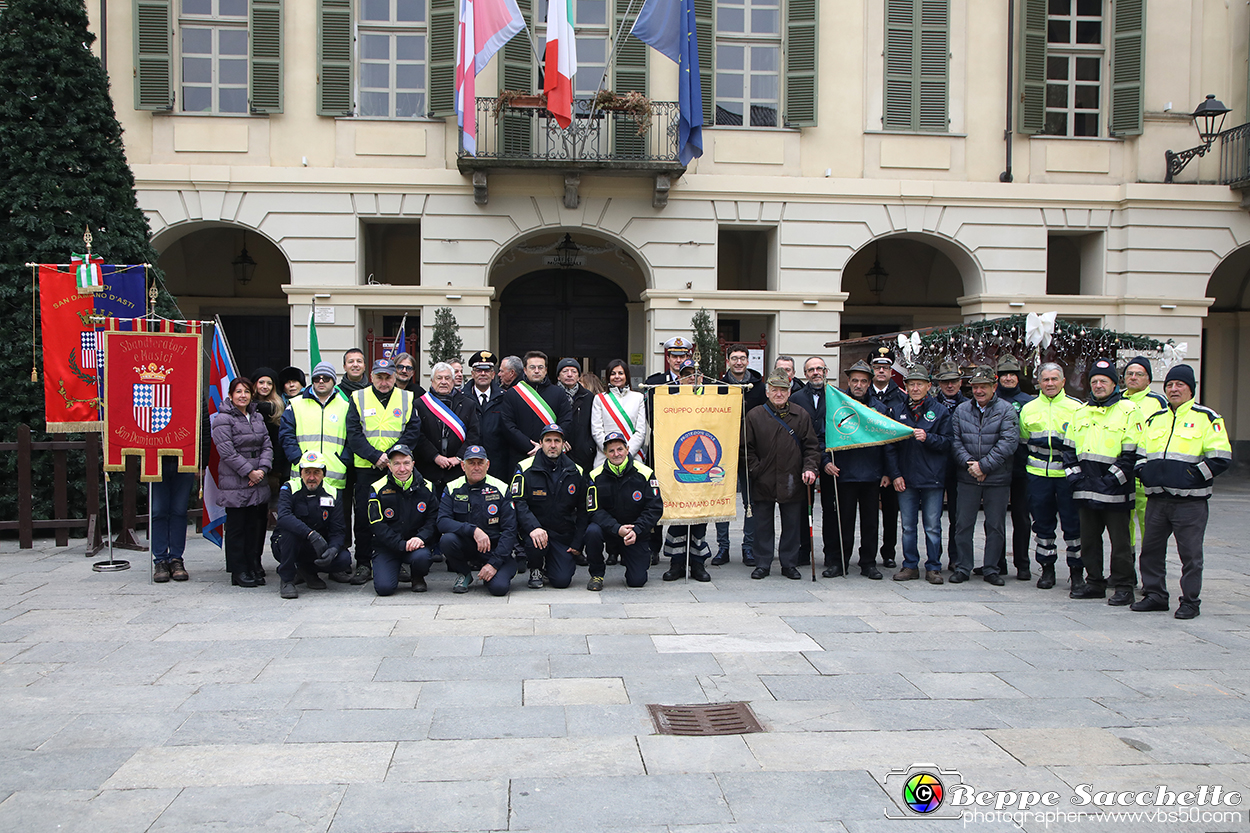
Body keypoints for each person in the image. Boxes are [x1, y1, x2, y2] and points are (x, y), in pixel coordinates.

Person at [1131, 364, 1231, 619]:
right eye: (1170, 385)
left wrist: (1191, 477)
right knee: (1151, 551)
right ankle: (1155, 595)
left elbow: (1220, 458)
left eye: (1180, 385)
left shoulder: (1207, 418)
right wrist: (1144, 473)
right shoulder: (1155, 419)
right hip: (1157, 499)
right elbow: (1141, 454)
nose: (1174, 389)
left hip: (1190, 502)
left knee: (1190, 555)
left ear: (1191, 389)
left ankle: (1189, 601)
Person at [1062, 359, 1143, 605]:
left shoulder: (1129, 411)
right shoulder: (1080, 412)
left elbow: (1133, 454)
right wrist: (1076, 478)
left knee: (1120, 543)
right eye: (1094, 381)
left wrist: (1110, 480)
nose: (1098, 385)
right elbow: (1068, 452)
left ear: (1114, 384)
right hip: (1086, 489)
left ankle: (1123, 585)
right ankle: (1094, 582)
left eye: (1103, 381)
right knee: (1089, 541)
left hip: (1116, 491)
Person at [345, 358, 423, 586]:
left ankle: (396, 562)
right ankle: (363, 563)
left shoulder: (407, 398)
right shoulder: (358, 398)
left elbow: (412, 431)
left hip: (395, 469)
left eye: (388, 376)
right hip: (367, 469)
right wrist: (375, 456)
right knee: (363, 518)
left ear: (395, 376)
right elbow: (354, 434)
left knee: (397, 517)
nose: (384, 381)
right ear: (371, 377)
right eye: (379, 377)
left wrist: (390, 457)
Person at [744, 369, 820, 580]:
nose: (779, 394)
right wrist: (755, 469)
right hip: (763, 478)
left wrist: (809, 468)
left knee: (792, 525)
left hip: (793, 478)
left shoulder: (800, 415)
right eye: (775, 390)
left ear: (789, 392)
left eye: (783, 390)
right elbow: (745, 448)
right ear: (767, 392)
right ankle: (762, 563)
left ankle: (789, 563)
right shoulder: (755, 416)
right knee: (762, 524)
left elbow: (812, 447)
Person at [949, 365, 1019, 585]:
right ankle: (963, 567)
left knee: (995, 525)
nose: (979, 391)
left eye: (984, 387)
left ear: (994, 387)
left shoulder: (1007, 410)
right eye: (975, 387)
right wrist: (972, 465)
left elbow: (1008, 442)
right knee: (963, 523)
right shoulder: (961, 410)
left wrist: (984, 466)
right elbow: (955, 441)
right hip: (968, 475)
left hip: (997, 477)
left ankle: (991, 568)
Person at [1017, 362, 1082, 591]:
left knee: (1073, 526)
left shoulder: (1077, 408)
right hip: (1038, 476)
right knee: (1043, 526)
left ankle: (1076, 572)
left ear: (1063, 382)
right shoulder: (1029, 408)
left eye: (1054, 379)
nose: (1050, 383)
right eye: (1046, 380)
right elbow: (1024, 442)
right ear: (1039, 382)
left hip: (1067, 477)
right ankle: (1047, 569)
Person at [884, 365, 951, 584]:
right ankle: (910, 565)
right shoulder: (896, 411)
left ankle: (933, 567)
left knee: (932, 525)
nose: (915, 388)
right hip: (906, 477)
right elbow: (890, 446)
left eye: (919, 384)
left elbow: (949, 443)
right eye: (911, 384)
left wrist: (929, 437)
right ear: (906, 386)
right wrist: (895, 475)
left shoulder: (940, 411)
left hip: (933, 478)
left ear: (928, 386)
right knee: (908, 526)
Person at [828, 360, 891, 578]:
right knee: (843, 522)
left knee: (870, 523)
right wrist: (826, 460)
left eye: (863, 381)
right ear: (848, 381)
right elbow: (823, 436)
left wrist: (887, 471)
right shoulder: (837, 406)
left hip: (872, 473)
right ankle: (840, 562)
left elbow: (887, 443)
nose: (858, 385)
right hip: (844, 472)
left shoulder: (880, 409)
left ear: (869, 383)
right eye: (854, 380)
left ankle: (868, 563)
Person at [210, 376, 273, 588]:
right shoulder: (223, 419)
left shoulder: (256, 416)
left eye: (246, 391)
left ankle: (254, 564)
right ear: (230, 395)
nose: (243, 395)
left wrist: (262, 469)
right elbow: (227, 452)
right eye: (238, 392)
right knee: (238, 527)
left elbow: (267, 445)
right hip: (236, 480)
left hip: (259, 479)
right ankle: (238, 570)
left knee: (256, 526)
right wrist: (249, 472)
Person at [510, 424, 589, 589]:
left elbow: (584, 510)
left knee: (562, 581)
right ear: (541, 443)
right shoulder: (524, 468)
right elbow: (518, 503)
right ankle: (536, 568)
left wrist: (577, 542)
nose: (553, 445)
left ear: (563, 444)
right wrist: (533, 527)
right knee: (534, 542)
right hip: (535, 531)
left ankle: (551, 566)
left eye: (557, 441)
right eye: (548, 441)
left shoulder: (576, 471)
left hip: (562, 533)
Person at [584, 432, 663, 590]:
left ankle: (638, 556)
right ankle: (597, 574)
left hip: (634, 531)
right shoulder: (595, 476)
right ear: (605, 453)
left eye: (620, 449)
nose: (616, 454)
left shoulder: (645, 473)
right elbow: (593, 510)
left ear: (627, 449)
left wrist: (638, 530)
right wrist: (616, 528)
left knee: (636, 581)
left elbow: (654, 508)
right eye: (611, 451)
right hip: (609, 530)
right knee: (592, 531)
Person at [438, 445, 519, 596]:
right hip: (467, 545)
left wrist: (493, 564)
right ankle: (464, 574)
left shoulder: (500, 488)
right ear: (463, 465)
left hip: (494, 549)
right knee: (447, 540)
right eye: (471, 463)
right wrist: (473, 530)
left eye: (480, 463)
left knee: (499, 589)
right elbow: (442, 521)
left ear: (487, 465)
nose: (476, 467)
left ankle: (489, 571)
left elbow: (510, 530)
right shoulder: (452, 488)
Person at [660, 360, 714, 582]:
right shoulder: (672, 398)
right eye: (687, 374)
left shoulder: (711, 398)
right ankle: (676, 563)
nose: (691, 378)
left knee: (700, 516)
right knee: (678, 514)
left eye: (695, 374)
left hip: (704, 463)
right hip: (678, 462)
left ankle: (698, 564)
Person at [272, 450, 352, 599]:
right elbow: (283, 517)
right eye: (307, 472)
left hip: (318, 545)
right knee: (289, 532)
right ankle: (287, 579)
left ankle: (307, 571)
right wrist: (310, 534)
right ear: (301, 473)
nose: (311, 478)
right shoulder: (289, 488)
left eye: (316, 472)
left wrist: (333, 549)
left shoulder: (333, 493)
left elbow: (338, 529)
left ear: (324, 474)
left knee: (343, 559)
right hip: (289, 544)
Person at [643, 337, 693, 563]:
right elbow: (649, 414)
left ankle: (684, 547)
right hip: (661, 447)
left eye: (682, 356)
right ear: (668, 358)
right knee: (657, 496)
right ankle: (654, 546)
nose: (678, 360)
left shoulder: (697, 382)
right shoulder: (655, 382)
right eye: (674, 356)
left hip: (689, 448)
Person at [713, 346, 764, 566]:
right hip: (723, 452)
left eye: (742, 358)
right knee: (722, 501)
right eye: (734, 358)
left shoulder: (760, 388)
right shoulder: (718, 386)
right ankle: (723, 547)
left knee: (750, 502)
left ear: (748, 360)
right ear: (728, 361)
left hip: (751, 452)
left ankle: (748, 548)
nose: (739, 362)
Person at [367, 444, 439, 595]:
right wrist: (401, 544)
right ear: (389, 466)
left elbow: (433, 519)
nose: (402, 469)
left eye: (406, 463)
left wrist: (420, 538)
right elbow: (377, 525)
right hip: (387, 546)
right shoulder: (377, 488)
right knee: (384, 589)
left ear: (413, 464)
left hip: (415, 546)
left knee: (423, 556)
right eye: (397, 464)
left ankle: (417, 577)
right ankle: (390, 569)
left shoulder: (428, 487)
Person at [790, 356, 839, 576]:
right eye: (811, 370)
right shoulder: (797, 397)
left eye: (819, 368)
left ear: (826, 371)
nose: (816, 372)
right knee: (802, 507)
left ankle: (832, 554)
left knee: (831, 508)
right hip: (804, 459)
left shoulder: (838, 396)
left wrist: (827, 458)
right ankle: (802, 549)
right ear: (805, 374)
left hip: (832, 458)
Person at [279, 360, 350, 494]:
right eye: (317, 378)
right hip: (303, 477)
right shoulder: (295, 405)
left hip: (334, 478)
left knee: (335, 515)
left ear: (334, 381)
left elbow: (352, 438)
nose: (321, 381)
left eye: (326, 378)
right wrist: (297, 459)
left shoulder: (346, 406)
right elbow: (286, 436)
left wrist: (343, 461)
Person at [413, 361, 480, 499]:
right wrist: (435, 457)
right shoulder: (420, 404)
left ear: (454, 380)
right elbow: (418, 435)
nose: (443, 382)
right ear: (432, 381)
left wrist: (459, 457)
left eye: (447, 378)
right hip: (429, 469)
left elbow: (474, 434)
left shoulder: (468, 404)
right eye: (439, 378)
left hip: (457, 470)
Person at [501, 351, 573, 478]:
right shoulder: (512, 394)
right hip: (522, 455)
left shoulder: (558, 393)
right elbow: (508, 425)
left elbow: (566, 420)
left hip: (552, 455)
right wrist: (531, 446)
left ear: (545, 370)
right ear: (524, 370)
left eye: (540, 367)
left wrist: (548, 445)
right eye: (532, 367)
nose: (536, 371)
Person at [995, 354, 1035, 580]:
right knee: (996, 517)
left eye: (1012, 374)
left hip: (1022, 466)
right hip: (998, 466)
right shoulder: (990, 399)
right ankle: (997, 562)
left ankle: (1023, 564)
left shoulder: (1028, 401)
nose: (1008, 378)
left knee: (1021, 516)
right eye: (1004, 375)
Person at [1121, 356, 1168, 550]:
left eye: (1138, 374)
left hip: (1145, 473)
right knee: (1123, 526)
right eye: (1129, 374)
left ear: (1148, 379)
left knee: (1149, 525)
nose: (1133, 378)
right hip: (1122, 472)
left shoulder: (1158, 401)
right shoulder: (1117, 399)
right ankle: (1126, 570)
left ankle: (1151, 571)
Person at [869, 347, 905, 569]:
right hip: (869, 466)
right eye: (877, 367)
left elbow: (897, 439)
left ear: (892, 371)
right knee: (869, 515)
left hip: (891, 468)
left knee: (891, 514)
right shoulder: (861, 396)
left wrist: (891, 471)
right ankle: (868, 553)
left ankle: (889, 552)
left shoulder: (901, 397)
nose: (881, 371)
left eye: (885, 367)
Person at [932, 360, 967, 567]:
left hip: (960, 467)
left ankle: (956, 558)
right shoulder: (932, 404)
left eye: (953, 381)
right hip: (936, 466)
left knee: (958, 516)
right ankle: (934, 558)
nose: (950, 386)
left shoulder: (968, 405)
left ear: (960, 382)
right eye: (945, 382)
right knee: (933, 517)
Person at [149, 455, 195, 583]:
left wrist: (202, 462)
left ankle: (176, 559)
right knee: (157, 511)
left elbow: (203, 435)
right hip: (154, 459)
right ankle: (160, 561)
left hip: (185, 459)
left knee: (179, 511)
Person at [556, 358, 596, 472]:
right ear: (558, 376)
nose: (569, 375)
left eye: (573, 371)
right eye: (565, 371)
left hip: (583, 453)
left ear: (579, 377)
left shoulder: (588, 396)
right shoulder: (551, 395)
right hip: (558, 449)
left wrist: (588, 447)